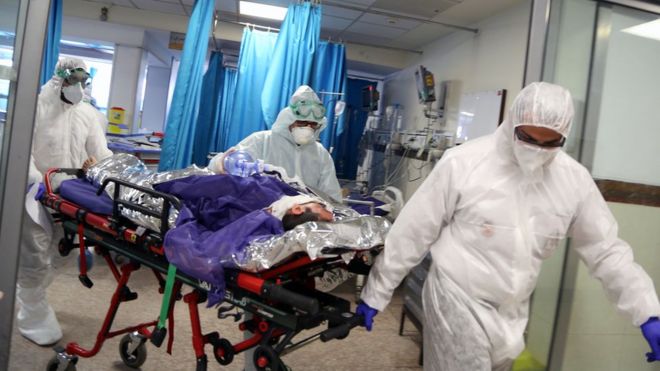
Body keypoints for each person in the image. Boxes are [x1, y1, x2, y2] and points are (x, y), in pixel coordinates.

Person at [356, 82, 660, 370]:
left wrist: (646, 311)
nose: (537, 150)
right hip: (458, 296)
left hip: (514, 308)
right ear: (513, 122)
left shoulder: (574, 181)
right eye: (528, 138)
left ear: (564, 137)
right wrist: (378, 290)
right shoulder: (464, 163)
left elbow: (605, 249)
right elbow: (414, 231)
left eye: (550, 142)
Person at [18, 57, 112, 346]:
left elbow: (101, 152)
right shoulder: (36, 107)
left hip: (69, 193)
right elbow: (23, 150)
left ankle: (31, 296)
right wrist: (36, 181)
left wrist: (108, 173)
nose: (78, 88)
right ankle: (31, 314)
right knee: (33, 251)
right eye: (74, 81)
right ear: (61, 78)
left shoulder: (88, 115)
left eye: (83, 83)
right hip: (34, 192)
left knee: (62, 250)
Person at [209, 85, 342, 202]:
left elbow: (331, 194)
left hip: (303, 217)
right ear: (288, 120)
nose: (307, 128)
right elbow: (220, 165)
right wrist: (221, 162)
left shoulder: (320, 154)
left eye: (313, 125)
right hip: (261, 210)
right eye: (301, 123)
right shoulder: (261, 140)